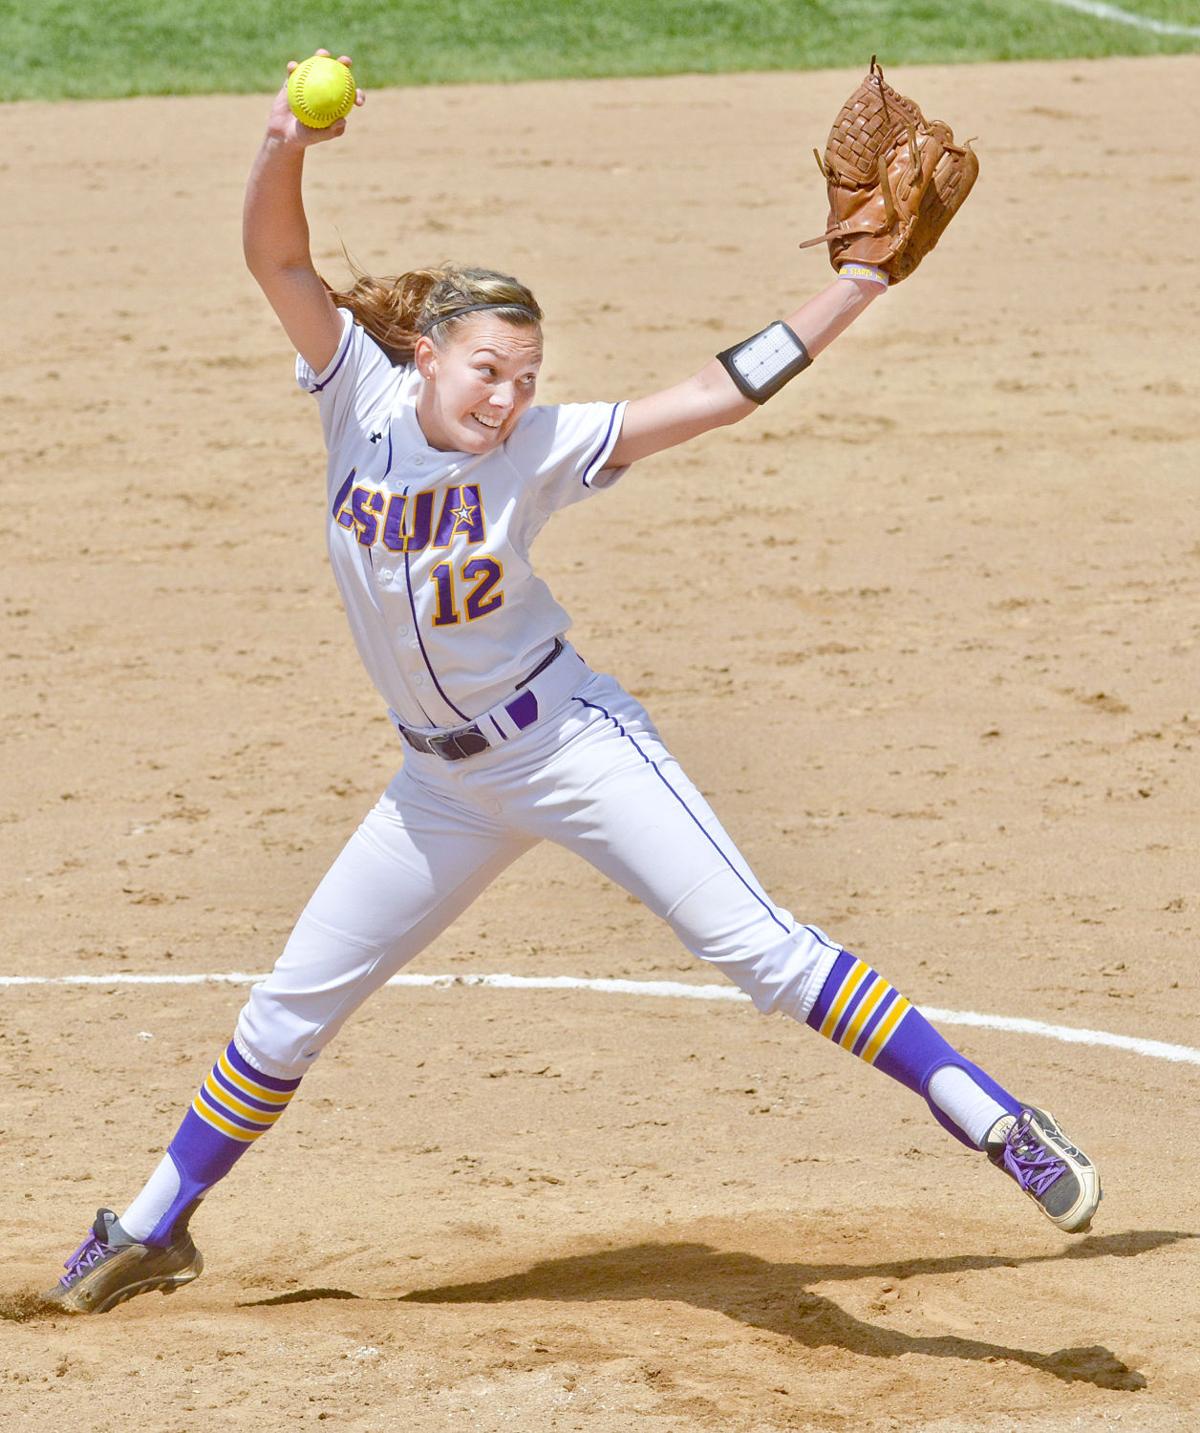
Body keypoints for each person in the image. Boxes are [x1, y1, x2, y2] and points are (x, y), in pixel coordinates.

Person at [46, 54, 1099, 1316]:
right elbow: (278, 260)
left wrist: (857, 286)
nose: (509, 397)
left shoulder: (542, 446)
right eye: (489, 370)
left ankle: (1000, 1121)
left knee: (763, 952)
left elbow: (713, 394)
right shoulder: (355, 398)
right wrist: (286, 142)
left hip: (570, 745)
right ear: (425, 356)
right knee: (285, 1012)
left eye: (528, 375)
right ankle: (154, 1224)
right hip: (437, 790)